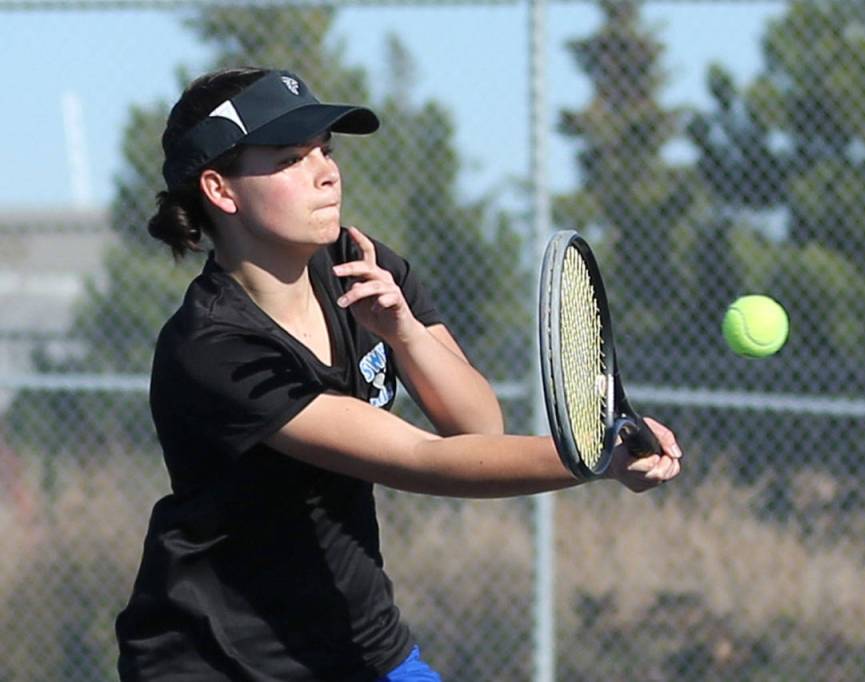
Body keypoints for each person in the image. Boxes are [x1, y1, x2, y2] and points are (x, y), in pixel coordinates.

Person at [114, 66, 684, 681]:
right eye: (288, 159)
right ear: (221, 191)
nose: (326, 173)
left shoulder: (364, 266)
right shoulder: (214, 348)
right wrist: (595, 457)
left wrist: (404, 333)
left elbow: (476, 428)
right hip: (219, 664)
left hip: (361, 646)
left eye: (325, 152)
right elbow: (419, 460)